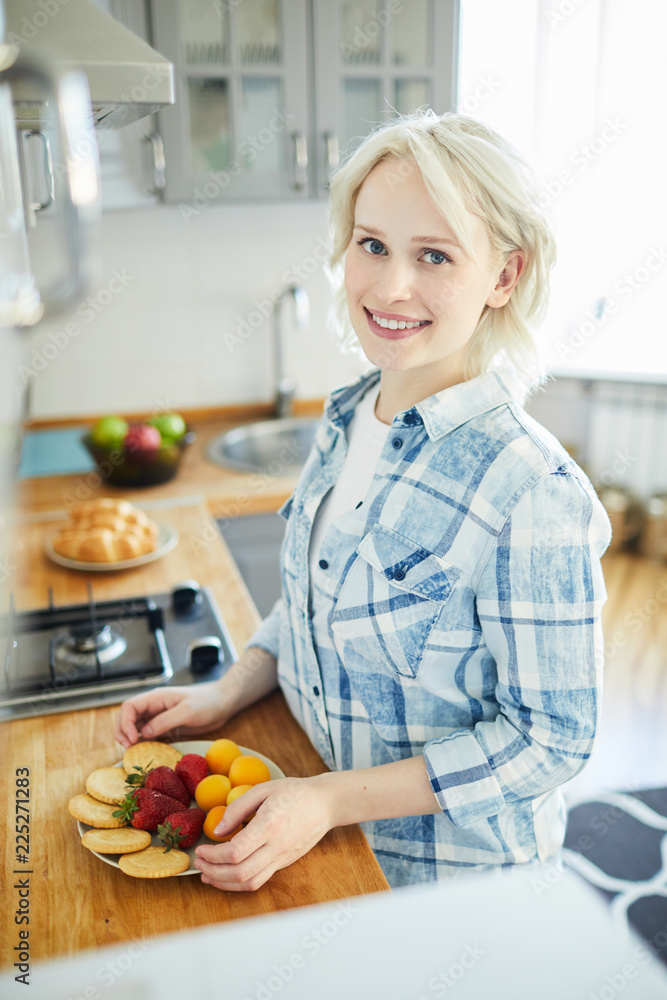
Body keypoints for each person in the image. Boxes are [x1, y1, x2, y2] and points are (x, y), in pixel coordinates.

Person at [115, 111, 612, 891]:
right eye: (371, 244)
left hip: (446, 886)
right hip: (314, 836)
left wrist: (328, 802)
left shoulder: (530, 491)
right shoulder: (350, 418)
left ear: (504, 276)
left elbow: (549, 741)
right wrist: (230, 689)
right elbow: (316, 604)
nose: (389, 287)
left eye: (434, 256)